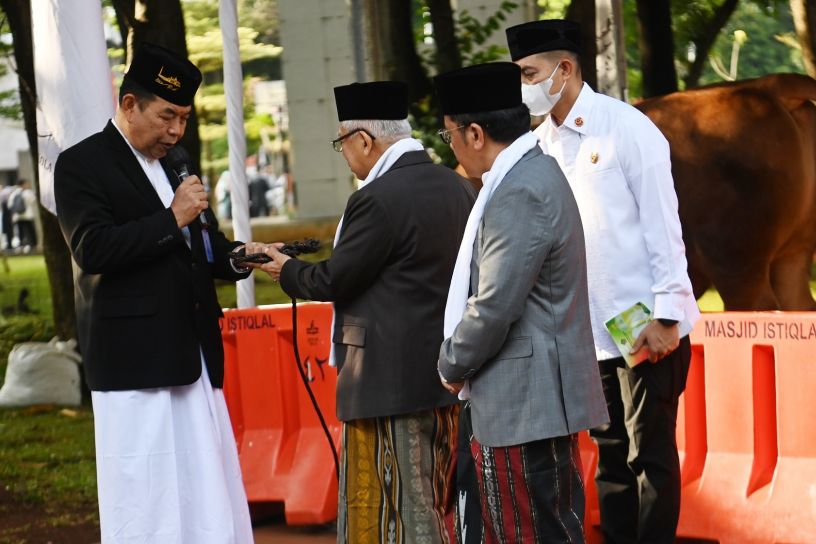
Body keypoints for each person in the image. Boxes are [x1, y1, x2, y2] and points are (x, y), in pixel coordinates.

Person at [54, 43, 265, 543]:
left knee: (204, 485)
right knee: (147, 494)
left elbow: (198, 242)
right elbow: (93, 249)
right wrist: (172, 217)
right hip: (134, 362)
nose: (175, 131)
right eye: (166, 116)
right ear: (129, 105)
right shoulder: (82, 165)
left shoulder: (177, 162)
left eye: (184, 119)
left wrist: (236, 257)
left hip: (191, 350)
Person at [506, 20, 701, 543]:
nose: (523, 85)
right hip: (587, 333)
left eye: (530, 73)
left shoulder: (626, 129)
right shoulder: (539, 144)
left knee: (649, 454)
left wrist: (666, 317)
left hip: (642, 327)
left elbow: (665, 227)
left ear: (564, 70)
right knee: (610, 456)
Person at [257, 80, 475, 544]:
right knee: (432, 499)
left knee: (398, 510)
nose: (346, 156)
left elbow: (337, 278)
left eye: (342, 144)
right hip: (444, 373)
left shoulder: (377, 199)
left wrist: (286, 269)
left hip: (386, 382)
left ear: (363, 139)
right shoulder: (456, 186)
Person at [434, 62, 609, 543]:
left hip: (525, 404)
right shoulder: (527, 175)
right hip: (528, 400)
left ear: (474, 133)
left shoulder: (520, 190)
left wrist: (452, 361)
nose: (451, 149)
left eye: (449, 136)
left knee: (528, 533)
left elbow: (492, 306)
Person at [8, 179, 38, 252]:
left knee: (20, 232)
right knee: (30, 231)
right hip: (28, 215)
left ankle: (21, 246)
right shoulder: (28, 192)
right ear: (23, 184)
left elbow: (10, 205)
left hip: (18, 216)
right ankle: (33, 245)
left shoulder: (14, 193)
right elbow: (33, 201)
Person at [0, 181, 16, 251]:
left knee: (8, 231)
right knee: (8, 231)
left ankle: (9, 244)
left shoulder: (4, 195)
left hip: (6, 217)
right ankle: (9, 244)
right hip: (6, 217)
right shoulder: (6, 195)